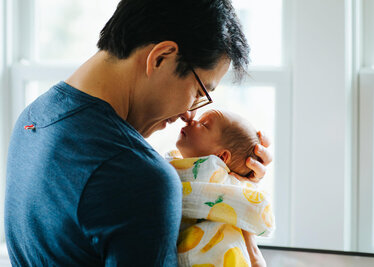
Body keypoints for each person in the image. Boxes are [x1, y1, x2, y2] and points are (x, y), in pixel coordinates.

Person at [5, 0, 272, 266]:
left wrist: (227, 183)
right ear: (161, 57)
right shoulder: (139, 177)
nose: (189, 114)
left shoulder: (33, 118)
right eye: (199, 92)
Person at [169, 109, 271, 266]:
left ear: (221, 157)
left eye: (204, 124)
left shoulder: (215, 173)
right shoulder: (171, 162)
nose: (191, 120)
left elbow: (256, 204)